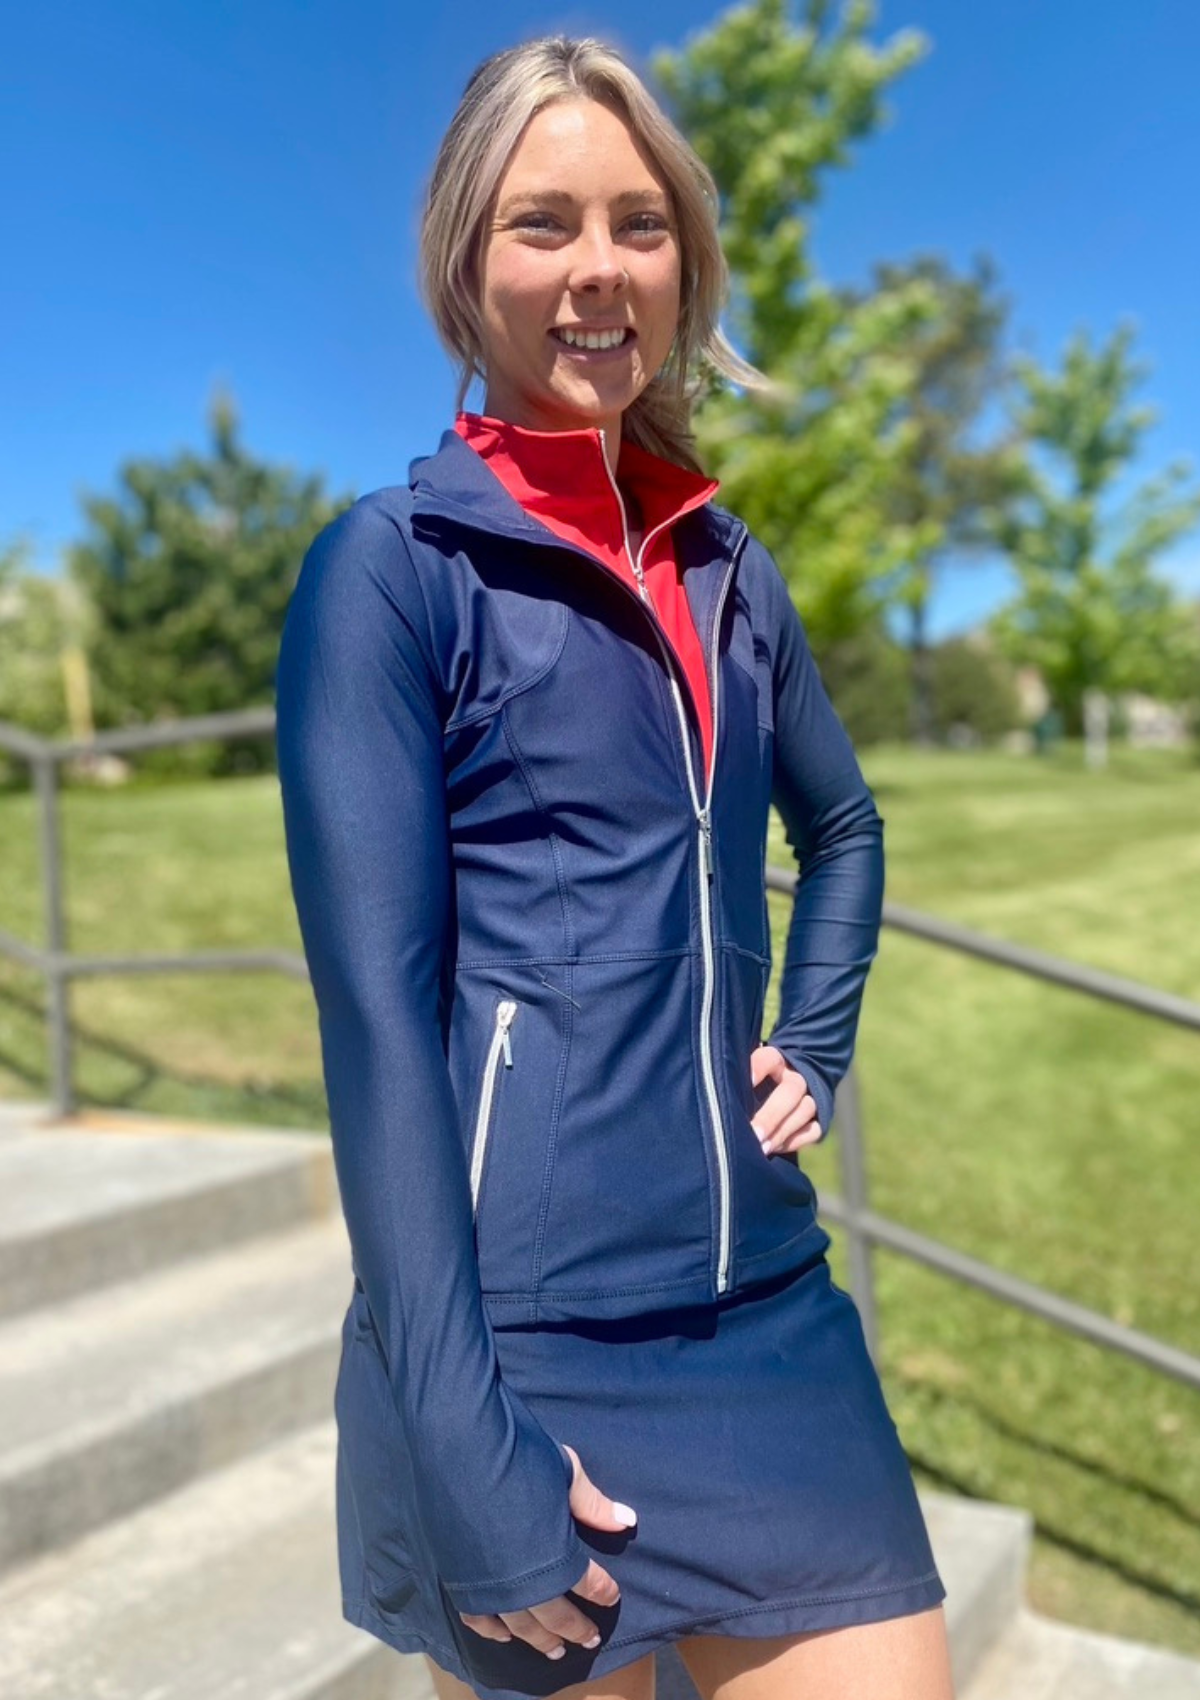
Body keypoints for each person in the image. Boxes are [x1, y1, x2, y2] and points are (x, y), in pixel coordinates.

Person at [274, 33, 954, 1700]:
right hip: (522, 1341)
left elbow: (846, 829)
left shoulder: (731, 570)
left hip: (767, 1311)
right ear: (465, 262)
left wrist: (822, 1032)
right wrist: (456, 1429)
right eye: (543, 223)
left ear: (684, 265)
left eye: (639, 223)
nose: (597, 269)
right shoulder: (391, 573)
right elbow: (377, 1026)